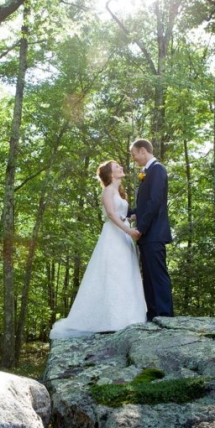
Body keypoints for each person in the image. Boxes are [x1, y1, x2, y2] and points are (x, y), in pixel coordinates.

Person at [49, 161, 146, 339]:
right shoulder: (108, 191)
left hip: (123, 235)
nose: (121, 167)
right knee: (112, 274)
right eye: (117, 167)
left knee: (126, 274)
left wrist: (132, 218)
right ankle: (110, 319)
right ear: (110, 173)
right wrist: (129, 231)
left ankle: (128, 317)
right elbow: (110, 214)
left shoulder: (119, 192)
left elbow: (121, 214)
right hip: (114, 236)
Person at [129, 138, 174, 320]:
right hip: (148, 235)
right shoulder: (148, 172)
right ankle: (153, 313)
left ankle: (165, 314)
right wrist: (130, 212)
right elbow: (145, 204)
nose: (134, 159)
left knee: (157, 274)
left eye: (134, 155)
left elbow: (155, 202)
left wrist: (141, 227)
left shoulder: (158, 170)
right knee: (148, 276)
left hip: (154, 232)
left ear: (142, 151)